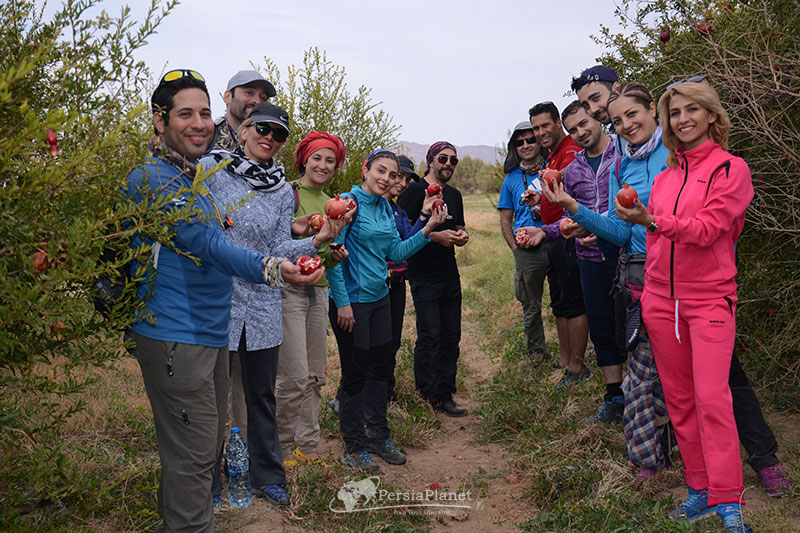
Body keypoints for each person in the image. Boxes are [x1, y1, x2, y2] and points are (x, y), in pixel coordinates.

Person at [125, 70, 322, 532]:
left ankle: (183, 517)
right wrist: (274, 268)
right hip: (181, 328)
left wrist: (313, 245)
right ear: (160, 120)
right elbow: (209, 243)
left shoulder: (201, 174)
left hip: (209, 326)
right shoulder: (170, 176)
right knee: (195, 450)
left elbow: (261, 241)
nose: (198, 123)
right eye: (185, 114)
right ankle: (193, 518)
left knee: (207, 437)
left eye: (204, 113)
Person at [616, 76, 753, 532]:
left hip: (710, 301)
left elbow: (707, 230)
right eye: (675, 113)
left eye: (692, 110)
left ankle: (728, 498)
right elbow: (659, 235)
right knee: (679, 400)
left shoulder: (731, 170)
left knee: (712, 397)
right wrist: (647, 222)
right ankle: (698, 488)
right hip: (660, 302)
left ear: (711, 114)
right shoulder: (667, 175)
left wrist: (651, 217)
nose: (683, 119)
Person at [202, 103, 342, 507]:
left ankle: (266, 476)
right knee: (212, 398)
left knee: (261, 395)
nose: (269, 137)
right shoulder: (213, 171)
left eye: (278, 134)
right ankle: (209, 483)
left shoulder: (282, 189)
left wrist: (314, 242)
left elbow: (278, 246)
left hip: (262, 305)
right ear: (243, 130)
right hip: (220, 301)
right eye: (262, 128)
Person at [328, 150, 446, 472]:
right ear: (365, 170)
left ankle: (378, 434)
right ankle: (354, 446)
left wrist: (428, 228)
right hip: (353, 303)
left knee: (381, 369)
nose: (387, 179)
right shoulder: (348, 204)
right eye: (381, 171)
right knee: (356, 373)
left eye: (393, 175)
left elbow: (395, 251)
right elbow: (333, 256)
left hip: (381, 297)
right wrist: (343, 303)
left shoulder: (385, 209)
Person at [526, 103, 626, 394]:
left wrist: (601, 228)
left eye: (584, 124)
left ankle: (641, 395)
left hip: (624, 256)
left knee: (632, 330)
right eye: (574, 129)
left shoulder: (622, 156)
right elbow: (571, 218)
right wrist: (543, 232)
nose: (581, 132)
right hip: (588, 259)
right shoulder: (574, 169)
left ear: (598, 119)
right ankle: (614, 395)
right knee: (601, 328)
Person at [276, 131, 348, 468]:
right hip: (289, 289)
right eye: (317, 157)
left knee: (316, 376)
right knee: (295, 375)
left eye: (330, 160)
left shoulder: (335, 205)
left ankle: (309, 446)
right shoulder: (286, 193)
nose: (323, 165)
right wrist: (300, 230)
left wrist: (337, 255)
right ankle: (280, 446)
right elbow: (274, 239)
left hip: (319, 293)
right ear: (304, 159)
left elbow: (325, 257)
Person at [397, 141, 470, 417]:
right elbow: (404, 232)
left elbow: (459, 227)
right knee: (430, 336)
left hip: (449, 273)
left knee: (452, 336)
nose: (448, 164)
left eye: (453, 160)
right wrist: (434, 235)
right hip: (423, 274)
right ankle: (425, 397)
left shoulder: (455, 194)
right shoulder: (415, 191)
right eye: (443, 158)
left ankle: (445, 394)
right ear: (431, 160)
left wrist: (461, 237)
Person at [528, 102, 588, 373]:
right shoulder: (552, 155)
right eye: (536, 127)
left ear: (558, 123)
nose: (540, 132)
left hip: (568, 234)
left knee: (573, 302)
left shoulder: (570, 150)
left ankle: (576, 365)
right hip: (552, 233)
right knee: (560, 302)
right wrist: (541, 200)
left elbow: (570, 181)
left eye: (545, 125)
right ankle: (565, 361)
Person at [382, 155, 435, 402]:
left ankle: (385, 391)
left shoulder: (398, 211)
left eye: (406, 179)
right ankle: (353, 396)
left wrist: (425, 217)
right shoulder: (365, 206)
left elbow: (406, 244)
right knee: (371, 344)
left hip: (396, 283)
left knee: (392, 341)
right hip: (375, 283)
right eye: (397, 176)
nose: (402, 184)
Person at [497, 122, 549, 361]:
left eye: (530, 139)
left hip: (558, 240)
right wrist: (515, 248)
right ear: (514, 148)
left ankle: (572, 356)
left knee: (566, 301)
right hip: (527, 250)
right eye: (520, 142)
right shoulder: (511, 180)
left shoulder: (554, 168)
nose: (526, 145)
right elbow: (506, 219)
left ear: (539, 141)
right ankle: (537, 356)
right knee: (531, 306)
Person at [213, 70, 276, 151]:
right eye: (249, 93)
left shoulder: (269, 141)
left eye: (263, 97)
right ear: (228, 97)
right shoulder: (207, 136)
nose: (257, 101)